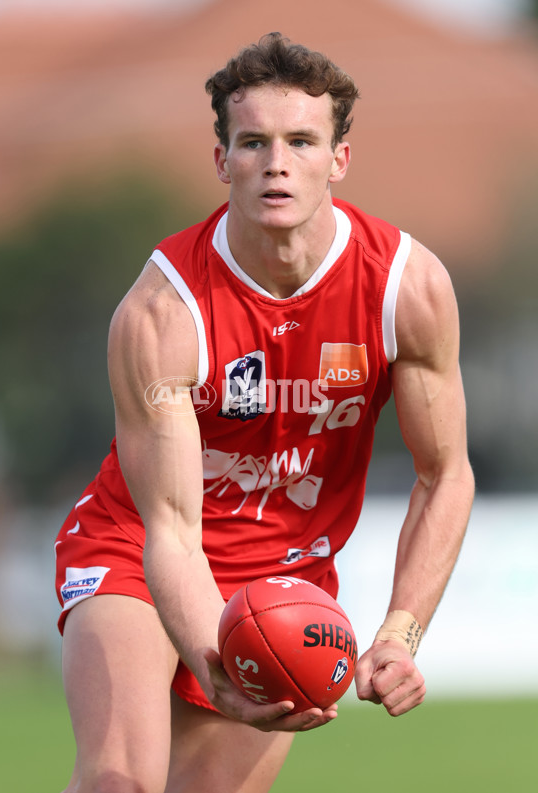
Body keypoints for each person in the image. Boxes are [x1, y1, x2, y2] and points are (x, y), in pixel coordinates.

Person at [54, 32, 474, 793]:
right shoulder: (161, 312)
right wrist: (213, 661)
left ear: (338, 159)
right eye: (253, 142)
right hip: (136, 550)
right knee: (121, 782)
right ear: (222, 161)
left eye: (301, 140)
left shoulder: (405, 289)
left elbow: (444, 474)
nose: (276, 162)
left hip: (282, 583)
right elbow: (174, 533)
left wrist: (398, 633)